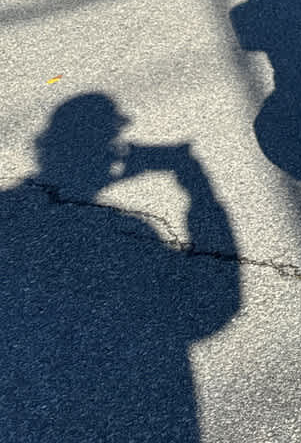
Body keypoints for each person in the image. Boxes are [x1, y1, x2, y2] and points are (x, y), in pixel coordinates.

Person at [0, 94, 240, 441]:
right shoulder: (134, 229)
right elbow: (217, 308)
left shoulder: (9, 208)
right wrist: (194, 179)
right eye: (113, 140)